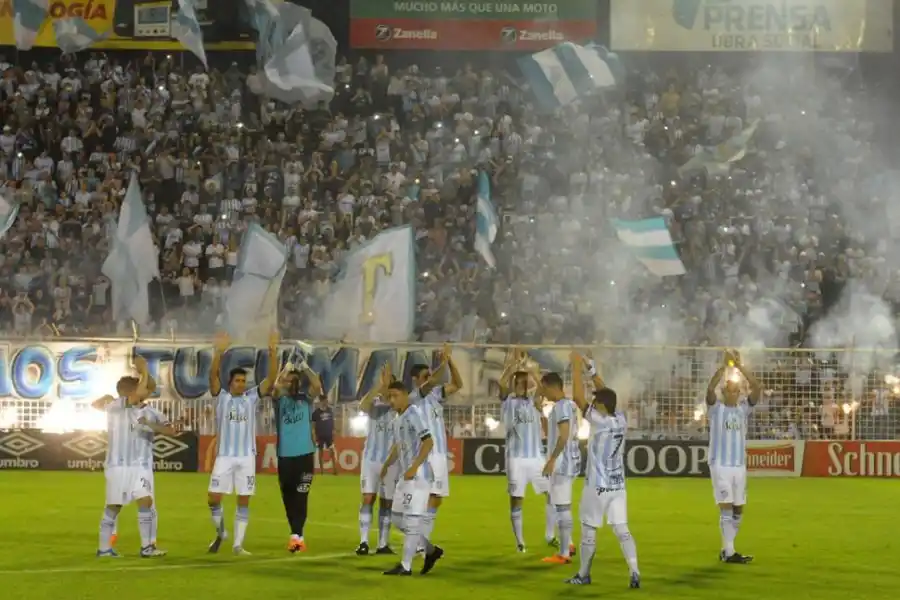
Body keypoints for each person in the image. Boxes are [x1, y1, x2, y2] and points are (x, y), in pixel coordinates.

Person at [565, 353, 640, 588]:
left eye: (596, 401)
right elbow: (606, 393)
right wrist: (592, 370)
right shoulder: (620, 419)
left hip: (597, 485)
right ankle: (634, 571)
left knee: (589, 529)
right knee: (622, 529)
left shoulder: (599, 421)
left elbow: (578, 398)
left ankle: (583, 574)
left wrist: (576, 367)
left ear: (601, 406)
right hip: (618, 486)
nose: (594, 402)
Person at [94, 355, 175, 558]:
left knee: (145, 501)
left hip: (140, 466)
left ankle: (147, 547)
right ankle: (104, 549)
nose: (147, 391)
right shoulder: (117, 405)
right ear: (129, 392)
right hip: (118, 465)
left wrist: (150, 425)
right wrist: (144, 370)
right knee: (114, 506)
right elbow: (137, 393)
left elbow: (171, 430)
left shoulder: (149, 412)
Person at [206, 330, 279, 556]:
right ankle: (221, 532)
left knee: (244, 500)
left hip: (246, 456)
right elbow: (212, 378)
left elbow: (271, 379)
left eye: (243, 381)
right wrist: (218, 353)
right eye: (237, 381)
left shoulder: (252, 397)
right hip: (225, 457)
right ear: (230, 383)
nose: (241, 384)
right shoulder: (222, 398)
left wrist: (273, 351)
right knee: (213, 498)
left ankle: (238, 545)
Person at [407, 342, 463, 574]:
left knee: (435, 500)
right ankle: (421, 545)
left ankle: (422, 545)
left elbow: (458, 384)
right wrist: (444, 360)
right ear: (416, 380)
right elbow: (433, 382)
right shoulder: (415, 396)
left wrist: (451, 361)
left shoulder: (435, 395)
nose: (429, 378)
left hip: (439, 454)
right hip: (426, 454)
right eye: (425, 376)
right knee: (422, 500)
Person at [705, 349, 761, 564]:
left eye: (737, 390)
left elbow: (756, 388)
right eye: (730, 389)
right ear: (724, 392)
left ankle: (727, 549)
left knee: (738, 510)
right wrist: (723, 367)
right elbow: (709, 389)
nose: (734, 392)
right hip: (720, 465)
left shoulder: (743, 410)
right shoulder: (715, 409)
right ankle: (729, 552)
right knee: (726, 507)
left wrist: (739, 367)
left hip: (739, 466)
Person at [498, 349, 553, 552]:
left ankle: (550, 534)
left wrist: (531, 371)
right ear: (514, 384)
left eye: (524, 381)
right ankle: (520, 541)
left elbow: (544, 389)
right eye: (518, 382)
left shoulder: (534, 402)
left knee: (552, 494)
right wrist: (511, 368)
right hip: (516, 458)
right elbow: (501, 384)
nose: (521, 384)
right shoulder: (508, 402)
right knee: (517, 499)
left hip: (536, 457)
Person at [380, 380, 435, 576]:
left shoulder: (414, 413)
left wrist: (414, 467)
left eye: (395, 396)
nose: (391, 400)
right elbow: (398, 446)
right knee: (396, 518)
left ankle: (406, 566)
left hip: (419, 476)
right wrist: (387, 464)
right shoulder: (397, 418)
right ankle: (430, 550)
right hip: (406, 476)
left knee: (411, 520)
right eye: (389, 396)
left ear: (405, 396)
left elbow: (428, 442)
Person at [273, 362, 323, 553]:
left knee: (302, 494)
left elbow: (317, 385)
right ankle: (296, 535)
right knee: (288, 497)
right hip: (285, 456)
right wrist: (285, 370)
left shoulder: (306, 399)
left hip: (305, 455)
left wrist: (305, 368)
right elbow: (276, 387)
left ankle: (296, 536)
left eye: (295, 381)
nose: (292, 384)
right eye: (289, 381)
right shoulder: (279, 401)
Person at [539, 369, 581, 565]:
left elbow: (563, 435)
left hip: (563, 463)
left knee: (562, 507)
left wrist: (552, 459)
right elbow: (555, 433)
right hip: (569, 460)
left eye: (544, 388)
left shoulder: (562, 406)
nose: (543, 393)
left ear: (551, 386)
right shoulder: (569, 405)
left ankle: (564, 554)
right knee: (560, 505)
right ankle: (568, 545)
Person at [356, 365, 399, 556]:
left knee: (387, 502)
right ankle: (364, 542)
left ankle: (383, 544)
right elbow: (362, 406)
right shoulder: (374, 405)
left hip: (391, 462)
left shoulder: (400, 408)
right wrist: (379, 386)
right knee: (368, 498)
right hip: (371, 460)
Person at [312, 397, 338, 475]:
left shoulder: (330, 410)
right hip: (320, 435)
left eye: (326, 401)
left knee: (332, 450)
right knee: (320, 452)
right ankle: (322, 471)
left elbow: (332, 421)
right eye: (324, 401)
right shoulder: (316, 413)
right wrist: (314, 434)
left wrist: (334, 430)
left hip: (329, 434)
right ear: (321, 402)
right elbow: (313, 425)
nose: (325, 402)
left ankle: (335, 470)